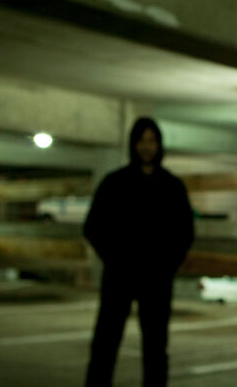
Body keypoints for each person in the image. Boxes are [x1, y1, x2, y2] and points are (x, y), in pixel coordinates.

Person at [83, 117, 195, 386]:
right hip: (119, 276)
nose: (147, 147)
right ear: (134, 144)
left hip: (156, 280)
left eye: (152, 141)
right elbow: (93, 227)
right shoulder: (115, 183)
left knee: (155, 348)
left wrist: (167, 266)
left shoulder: (172, 187)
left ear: (159, 145)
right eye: (142, 141)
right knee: (105, 344)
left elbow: (185, 233)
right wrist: (115, 259)